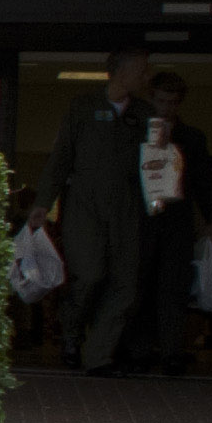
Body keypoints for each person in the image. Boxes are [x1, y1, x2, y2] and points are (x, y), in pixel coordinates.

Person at [45, 53, 159, 376]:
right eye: (142, 69)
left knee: (125, 284)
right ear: (120, 72)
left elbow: (157, 166)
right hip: (85, 208)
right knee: (90, 274)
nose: (147, 75)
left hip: (129, 210)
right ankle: (71, 332)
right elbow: (61, 157)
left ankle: (98, 355)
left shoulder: (146, 114)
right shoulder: (82, 107)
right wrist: (43, 203)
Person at [133, 69, 212, 375]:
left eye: (172, 102)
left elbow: (203, 181)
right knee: (141, 283)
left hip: (176, 219)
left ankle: (171, 350)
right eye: (161, 101)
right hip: (141, 219)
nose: (166, 108)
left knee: (173, 287)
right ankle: (140, 349)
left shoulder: (191, 137)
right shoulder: (136, 131)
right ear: (151, 99)